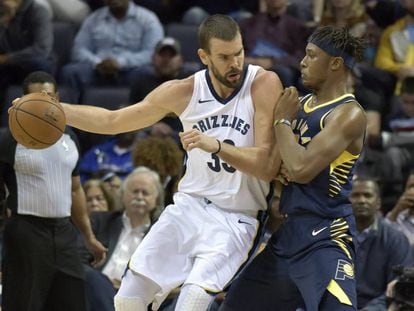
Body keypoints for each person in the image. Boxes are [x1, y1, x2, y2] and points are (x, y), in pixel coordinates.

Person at [59, 14, 282, 311]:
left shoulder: (263, 83)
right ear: (204, 56)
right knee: (127, 299)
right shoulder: (184, 91)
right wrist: (58, 111)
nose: (235, 63)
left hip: (236, 216)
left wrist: (214, 145)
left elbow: (266, 164)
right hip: (188, 206)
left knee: (191, 302)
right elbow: (113, 121)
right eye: (225, 57)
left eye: (239, 53)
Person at [220, 26, 366, 311]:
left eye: (312, 55)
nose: (302, 62)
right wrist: (279, 167)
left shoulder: (348, 114)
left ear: (335, 63)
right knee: (234, 305)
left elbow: (300, 169)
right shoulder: (296, 104)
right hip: (289, 234)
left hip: (326, 237)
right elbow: (275, 165)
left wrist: (282, 124)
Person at [0, 71, 107, 311]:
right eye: (35, 96)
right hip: (25, 230)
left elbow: (76, 189)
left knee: (72, 302)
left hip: (64, 232)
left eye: (48, 95)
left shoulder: (70, 137)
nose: (43, 101)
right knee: (23, 304)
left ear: (57, 98)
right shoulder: (9, 140)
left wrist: (89, 237)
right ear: (23, 100)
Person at [81, 167, 164, 311]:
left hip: (136, 300)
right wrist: (103, 284)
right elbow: (79, 259)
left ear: (156, 200)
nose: (139, 197)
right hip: (96, 291)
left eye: (145, 193)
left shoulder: (161, 235)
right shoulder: (101, 221)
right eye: (134, 191)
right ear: (123, 195)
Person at [59, 0, 164, 91]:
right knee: (70, 71)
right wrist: (97, 63)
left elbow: (152, 53)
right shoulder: (93, 19)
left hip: (130, 70)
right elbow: (78, 49)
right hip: (96, 70)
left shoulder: (148, 19)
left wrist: (121, 63)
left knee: (147, 73)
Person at [349, 176, 412, 310]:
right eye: (355, 195)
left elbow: (397, 288)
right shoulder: (334, 235)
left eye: (367, 195)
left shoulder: (396, 239)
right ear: (347, 201)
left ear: (378, 203)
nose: (361, 200)